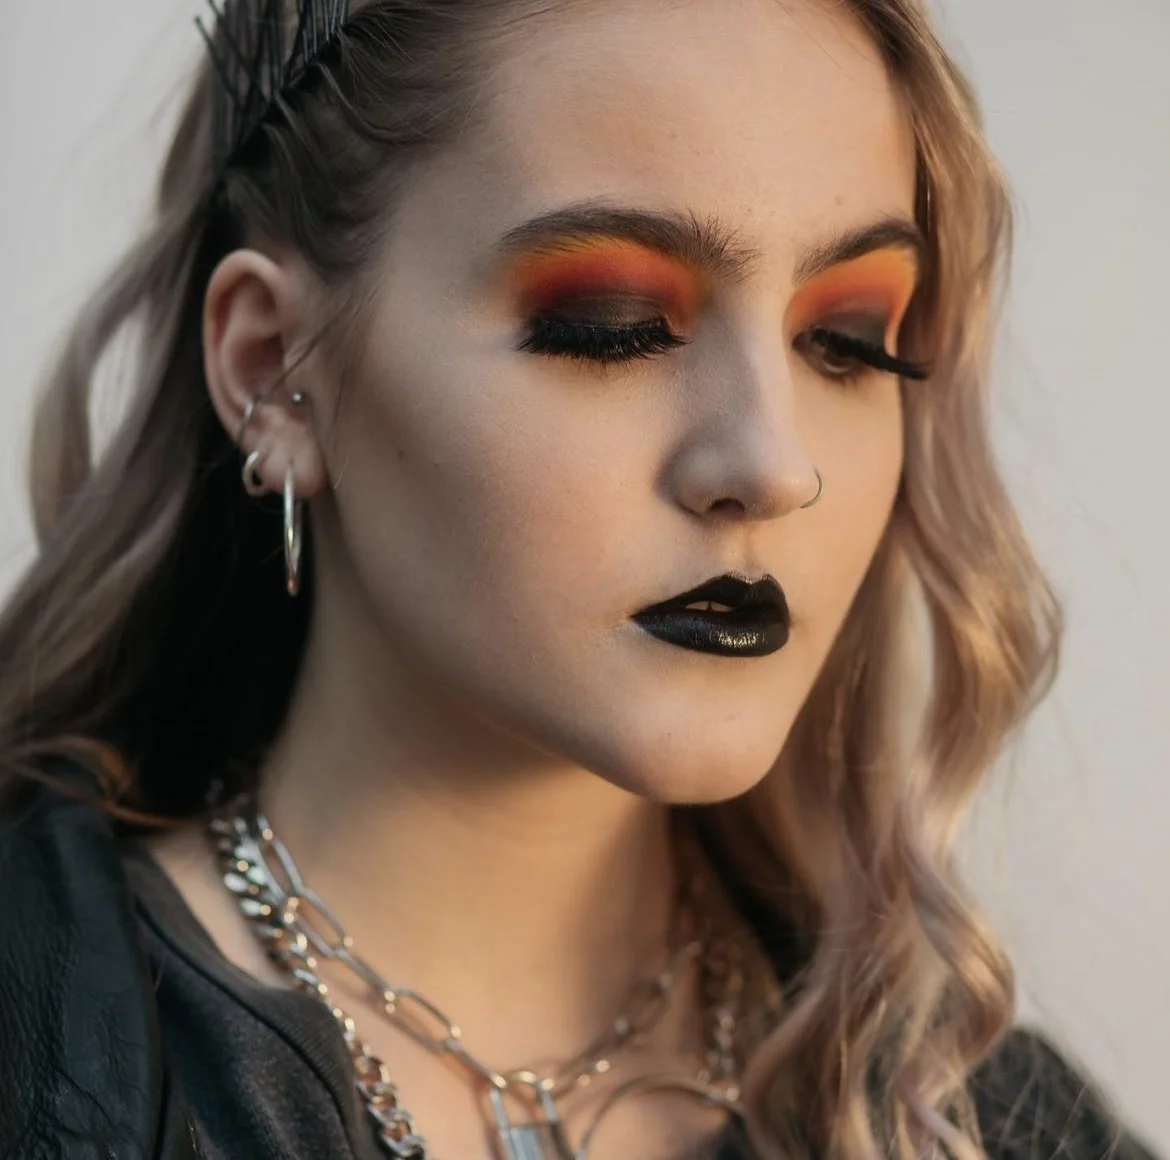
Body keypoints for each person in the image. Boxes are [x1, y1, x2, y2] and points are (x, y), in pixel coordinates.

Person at [0, 1, 1160, 1158]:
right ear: (273, 374)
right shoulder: (44, 1050)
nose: (773, 461)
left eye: (845, 340)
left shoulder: (974, 1119)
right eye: (611, 326)